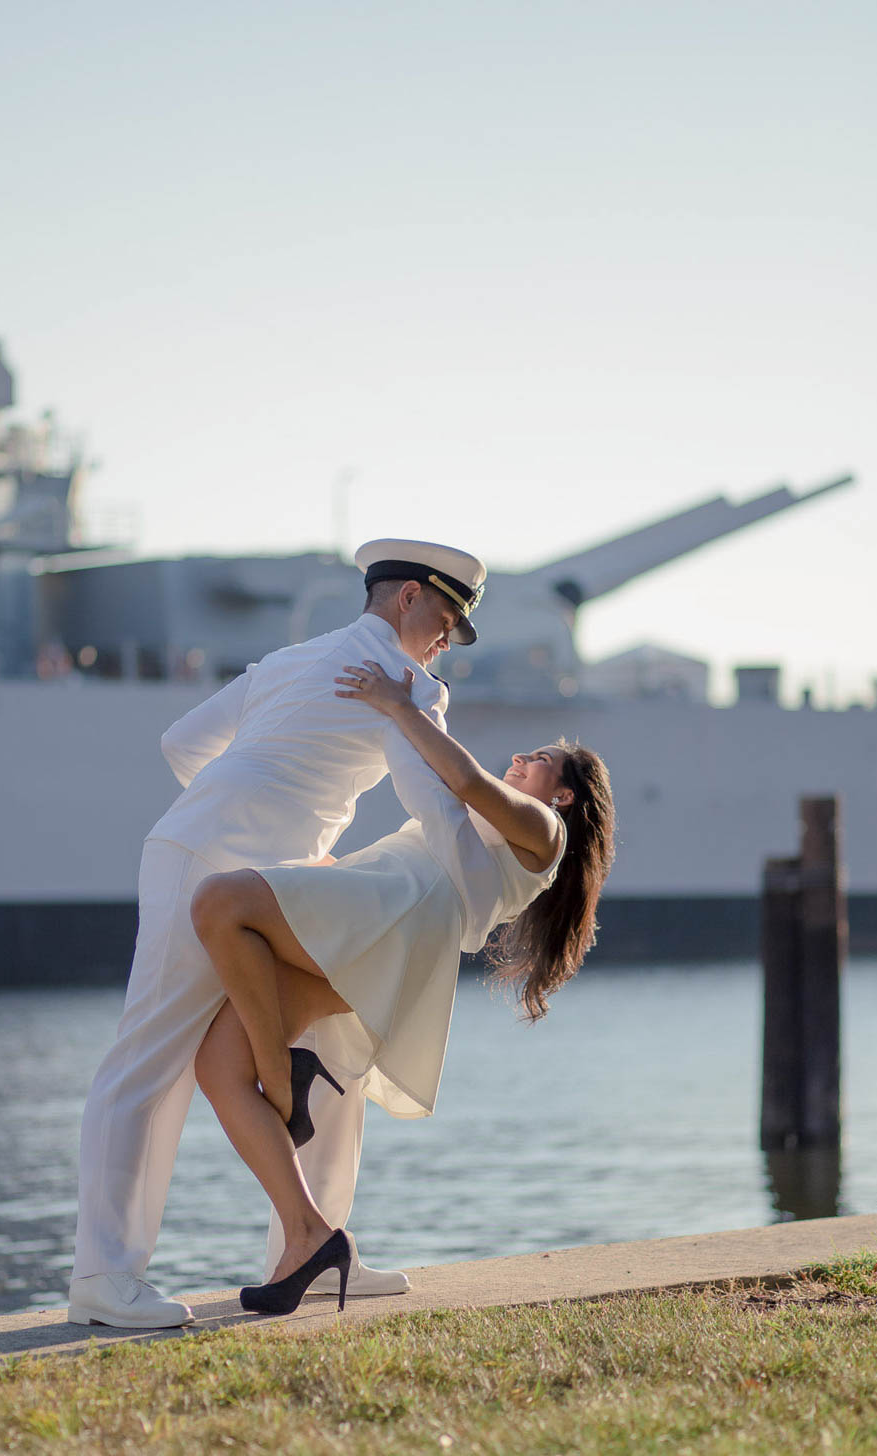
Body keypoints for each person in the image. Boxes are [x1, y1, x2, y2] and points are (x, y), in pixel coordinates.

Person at [69, 539, 487, 1328]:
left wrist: (261, 818)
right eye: (447, 616)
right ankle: (104, 1276)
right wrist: (478, 902)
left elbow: (181, 744)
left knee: (328, 1043)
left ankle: (318, 1245)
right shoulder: (405, 684)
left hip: (226, 857)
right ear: (407, 599)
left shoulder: (292, 658)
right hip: (232, 869)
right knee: (149, 1062)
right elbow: (432, 799)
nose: (447, 638)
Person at [190, 658, 616, 1314]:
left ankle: (282, 1079)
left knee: (218, 902)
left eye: (539, 759)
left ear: (563, 795)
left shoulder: (546, 831)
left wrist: (397, 703)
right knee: (217, 1065)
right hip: (383, 913)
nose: (521, 758)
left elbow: (465, 779)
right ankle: (311, 1233)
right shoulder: (490, 831)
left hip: (398, 919)